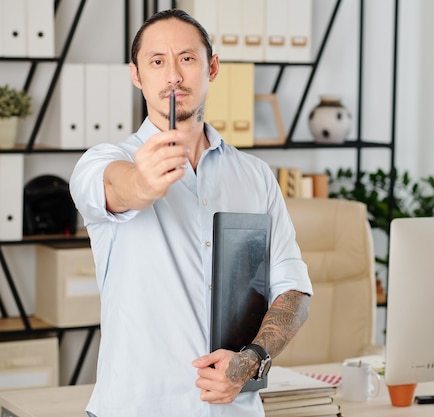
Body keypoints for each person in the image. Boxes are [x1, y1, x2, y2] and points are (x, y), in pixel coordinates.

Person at [69, 8, 312, 417]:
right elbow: (115, 187)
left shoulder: (255, 177)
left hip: (234, 409)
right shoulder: (104, 161)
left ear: (212, 67)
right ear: (136, 74)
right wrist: (143, 183)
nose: (173, 76)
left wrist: (251, 360)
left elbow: (293, 291)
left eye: (187, 58)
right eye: (157, 61)